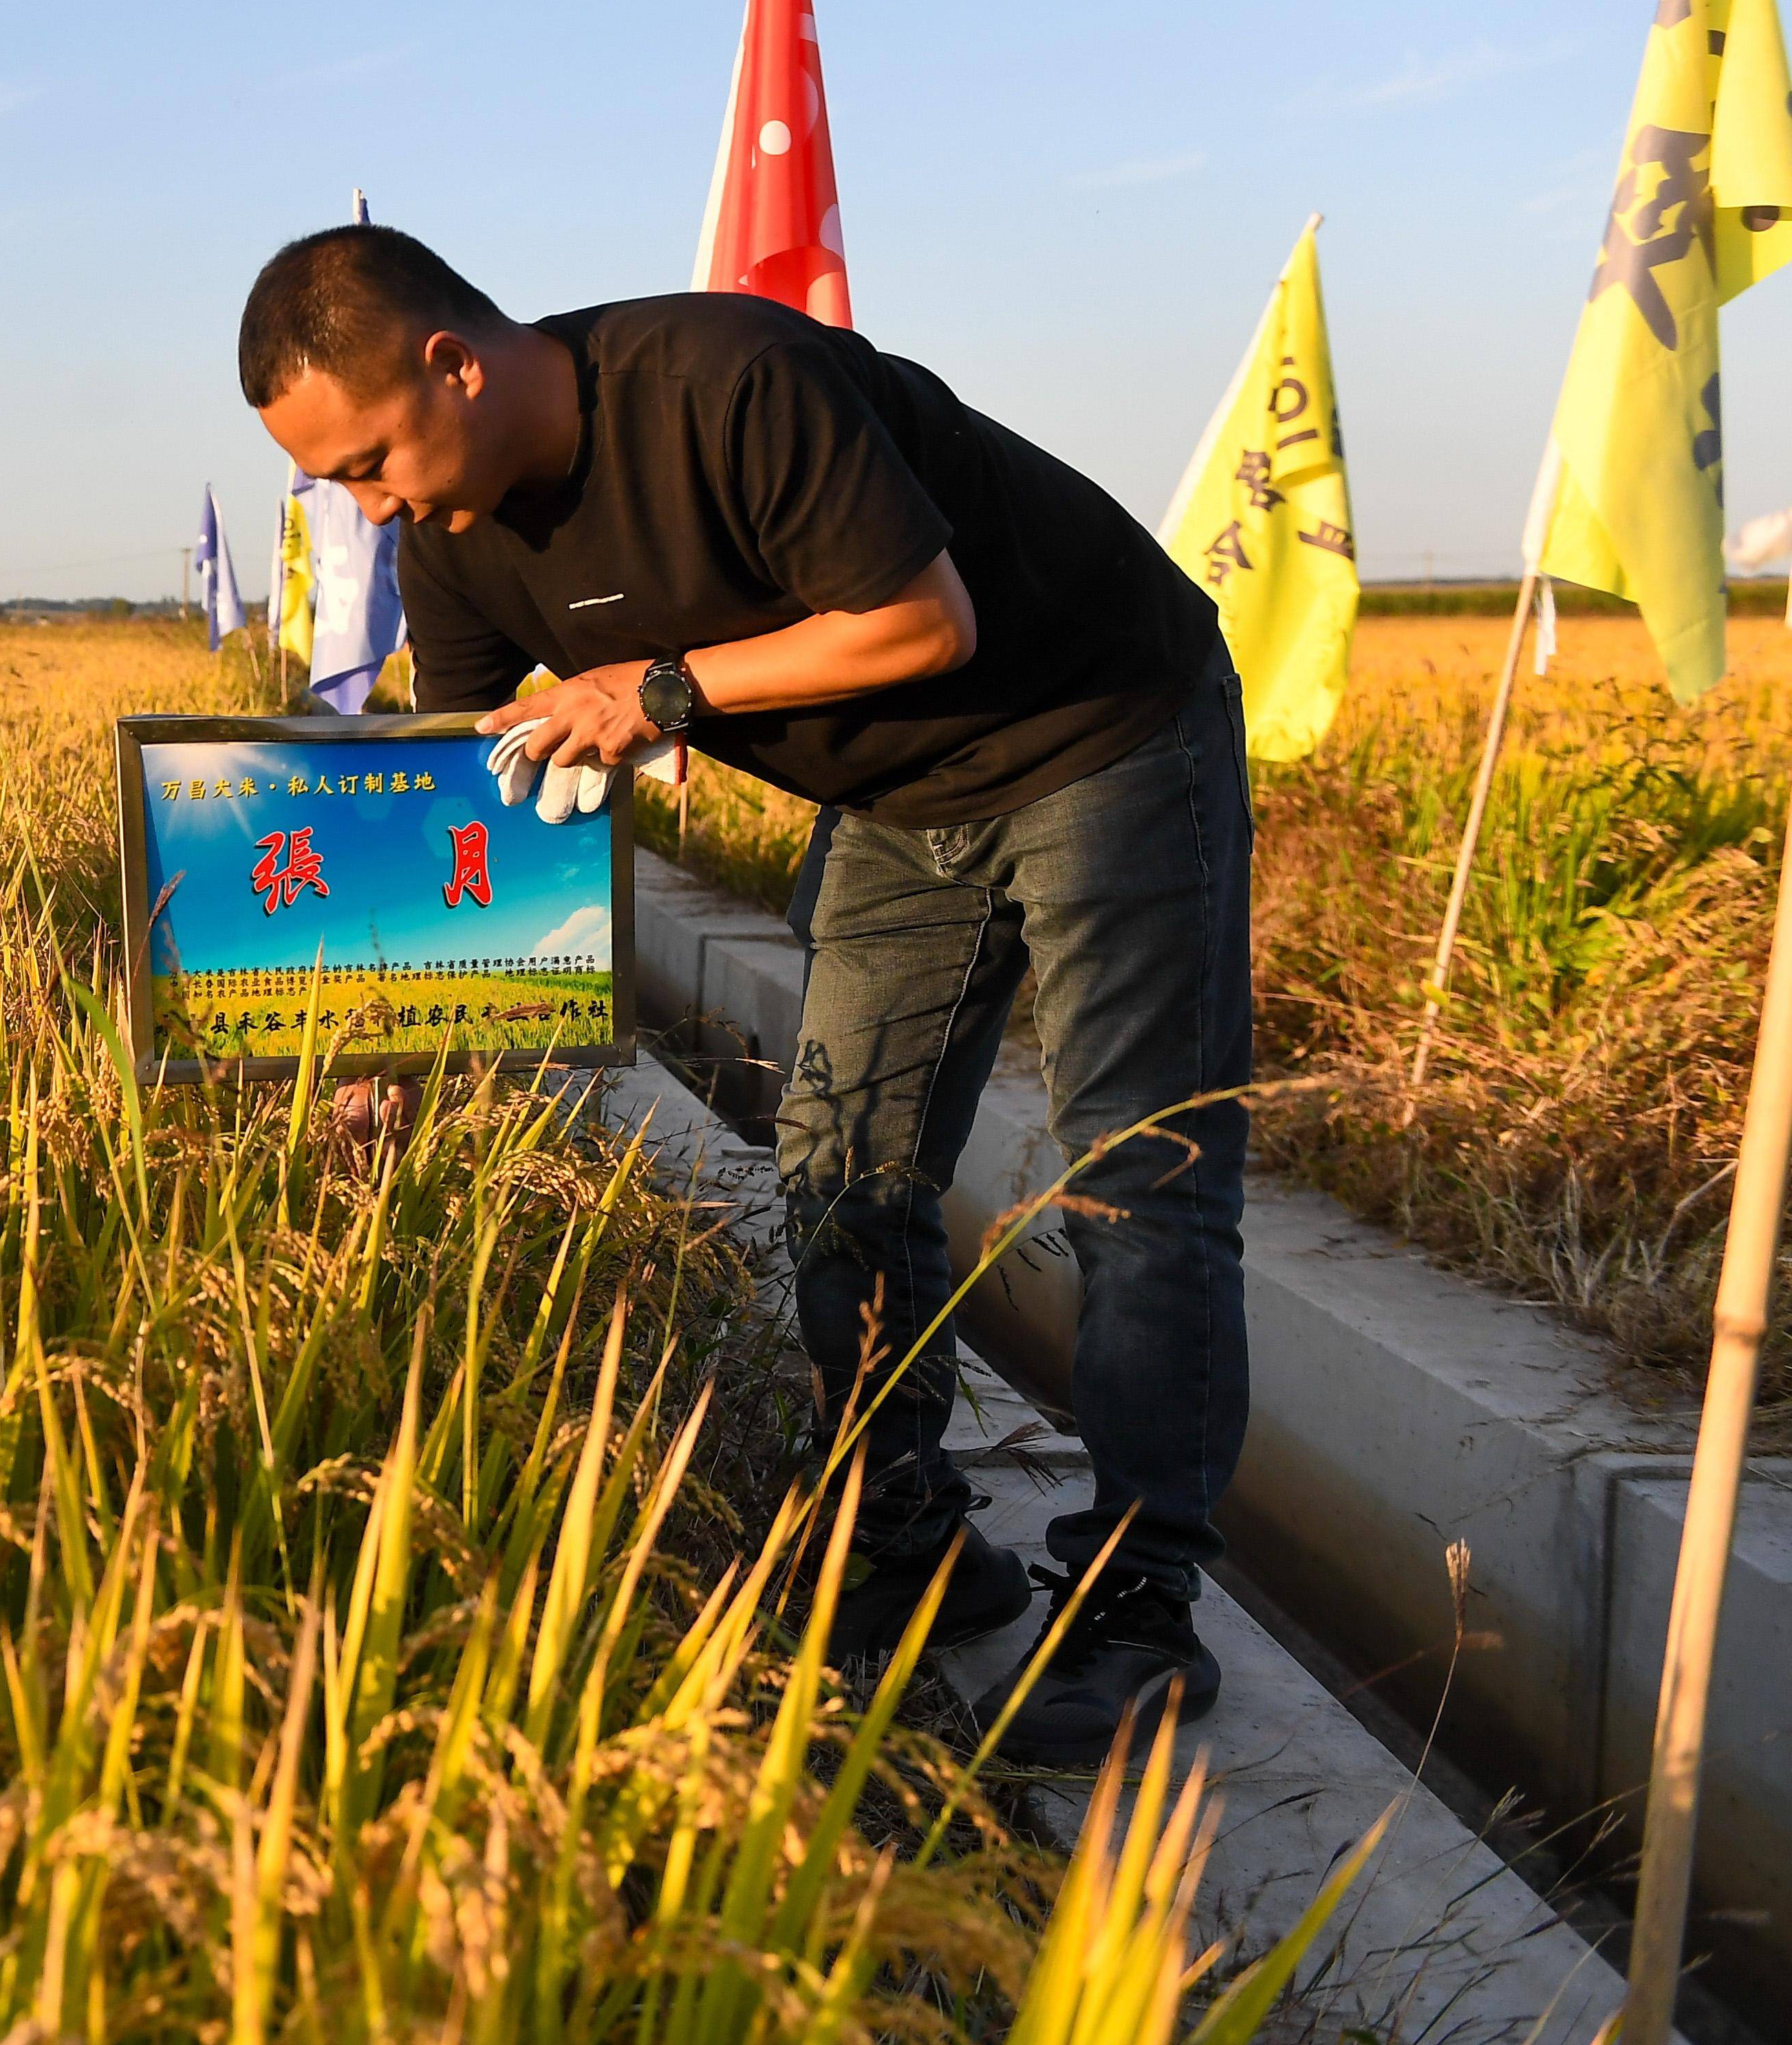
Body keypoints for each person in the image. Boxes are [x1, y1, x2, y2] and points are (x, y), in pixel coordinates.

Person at [237, 222, 1249, 1769]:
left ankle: (1142, 1611)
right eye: (343, 487)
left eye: (371, 459)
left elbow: (927, 623)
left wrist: (652, 692)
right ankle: (909, 1536)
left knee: (1135, 1177)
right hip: (905, 802)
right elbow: (468, 824)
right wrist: (384, 1056)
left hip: (1101, 723)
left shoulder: (726, 382)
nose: (374, 506)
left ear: (453, 359)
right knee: (841, 1159)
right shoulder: (454, 539)